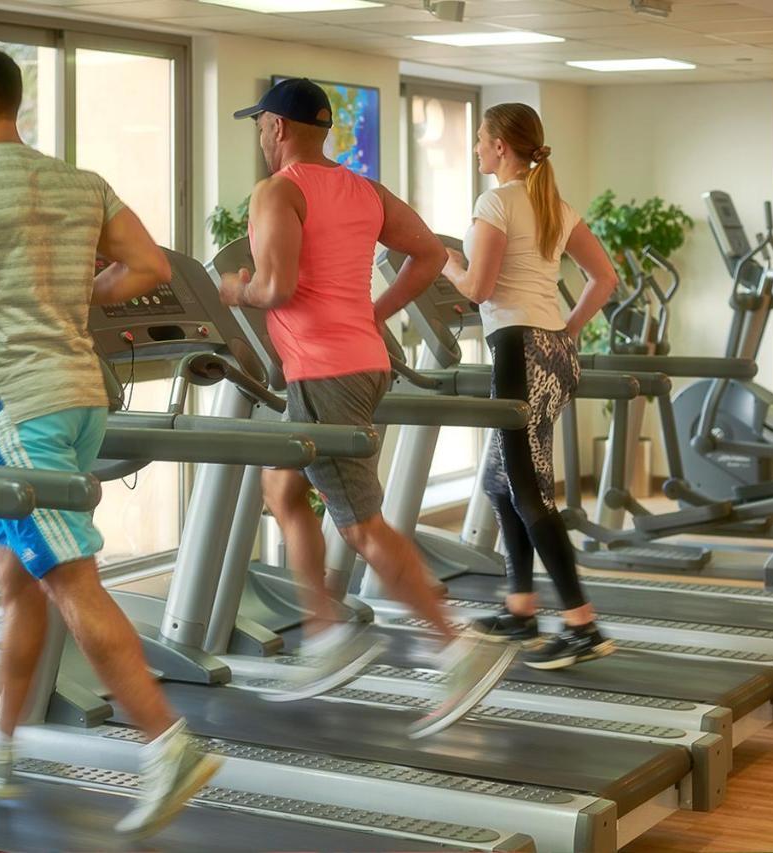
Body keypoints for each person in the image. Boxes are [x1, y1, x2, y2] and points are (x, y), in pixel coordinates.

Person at [0, 47, 220, 835]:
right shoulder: (83, 183)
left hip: (24, 406)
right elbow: (147, 265)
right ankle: (0, 744)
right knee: (19, 575)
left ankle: (168, 743)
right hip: (81, 397)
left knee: (73, 579)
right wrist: (81, 293)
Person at [219, 78, 514, 724]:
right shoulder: (363, 189)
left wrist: (233, 290)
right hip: (357, 362)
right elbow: (432, 254)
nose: (260, 137)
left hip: (325, 373)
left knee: (359, 522)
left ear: (276, 128)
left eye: (260, 125)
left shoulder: (279, 191)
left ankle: (455, 644)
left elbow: (274, 285)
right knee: (283, 489)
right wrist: (372, 311)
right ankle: (325, 628)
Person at [440, 102, 619, 670]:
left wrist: (439, 259)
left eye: (478, 140)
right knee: (500, 482)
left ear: (499, 147)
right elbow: (605, 278)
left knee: (528, 490)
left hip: (520, 352)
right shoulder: (553, 204)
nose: (474, 149)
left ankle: (581, 623)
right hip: (555, 354)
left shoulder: (495, 202)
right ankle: (520, 608)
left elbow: (477, 287)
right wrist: (566, 330)